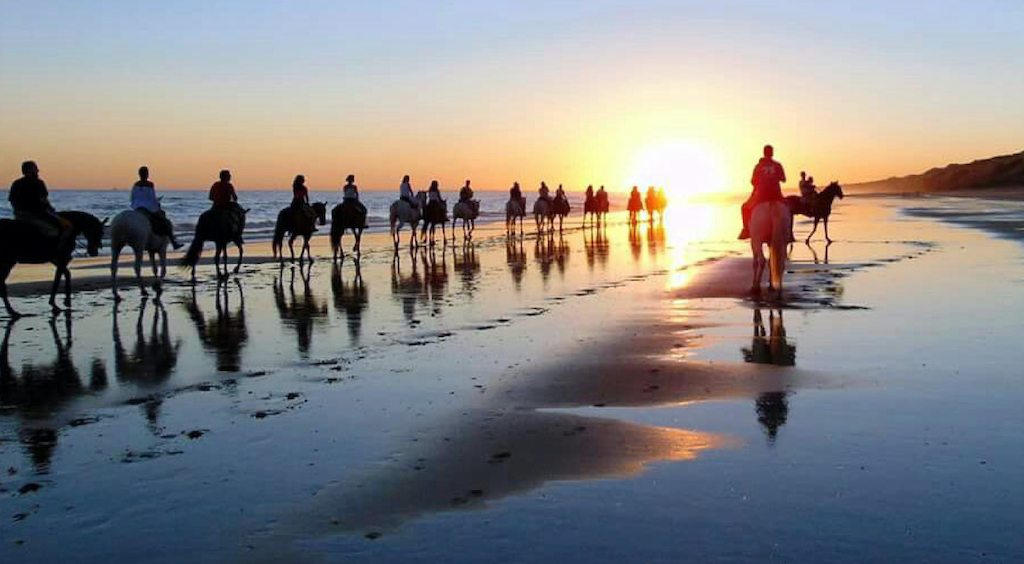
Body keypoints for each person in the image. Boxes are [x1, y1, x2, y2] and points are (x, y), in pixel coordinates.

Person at [9, 160, 68, 244]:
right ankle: (51, 251)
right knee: (55, 230)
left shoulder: (16, 183)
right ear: (30, 170)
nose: (37, 171)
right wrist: (51, 211)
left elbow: (12, 201)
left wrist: (19, 212)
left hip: (19, 216)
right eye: (35, 169)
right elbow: (44, 201)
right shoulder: (38, 183)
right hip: (36, 216)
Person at [739, 145, 787, 240]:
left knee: (744, 207)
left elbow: (753, 182)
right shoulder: (778, 165)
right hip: (776, 195)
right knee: (789, 209)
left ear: (764, 153)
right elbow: (783, 179)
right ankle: (789, 233)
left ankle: (746, 230)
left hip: (761, 196)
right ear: (772, 153)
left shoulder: (758, 166)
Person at [130, 166, 183, 249]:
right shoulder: (150, 184)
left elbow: (133, 197)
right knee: (166, 222)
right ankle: (173, 242)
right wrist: (156, 205)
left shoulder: (135, 185)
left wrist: (135, 205)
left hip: (137, 207)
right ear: (146, 174)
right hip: (148, 207)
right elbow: (152, 198)